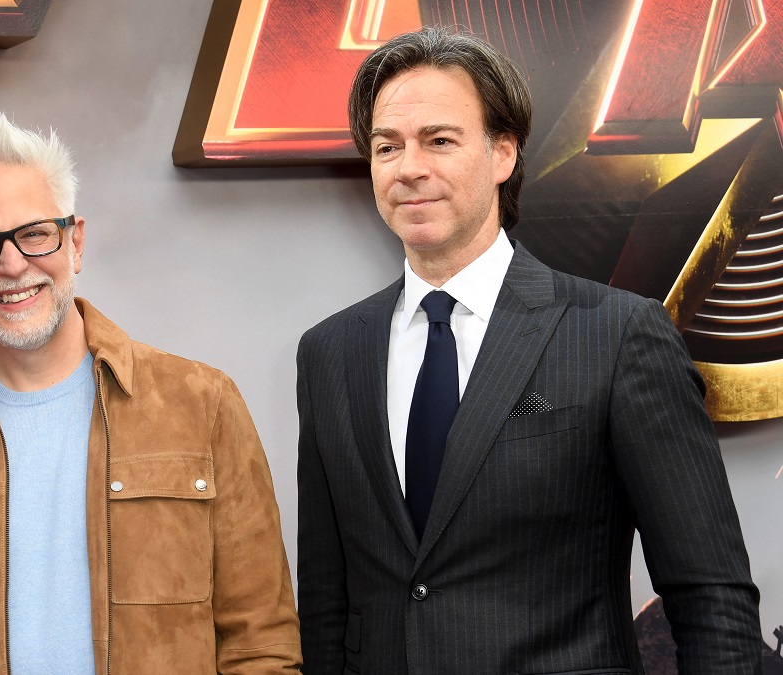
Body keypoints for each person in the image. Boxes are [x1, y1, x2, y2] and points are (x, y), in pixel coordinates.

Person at [296, 26, 761, 674]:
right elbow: (325, 604)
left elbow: (711, 599)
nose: (409, 168)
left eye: (439, 140)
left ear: (503, 154)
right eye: (387, 146)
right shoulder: (329, 354)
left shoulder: (618, 334)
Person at [0, 106, 301, 674]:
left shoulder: (202, 404)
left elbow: (261, 645)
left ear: (75, 241)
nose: (11, 266)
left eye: (35, 234)